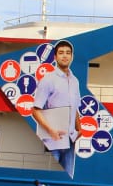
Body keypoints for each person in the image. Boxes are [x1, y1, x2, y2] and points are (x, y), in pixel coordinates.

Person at [30, 39, 83, 177]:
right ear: (54, 57)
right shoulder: (48, 80)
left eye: (68, 53)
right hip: (52, 141)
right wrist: (51, 131)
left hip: (70, 140)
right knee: (49, 178)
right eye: (61, 53)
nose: (65, 56)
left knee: (68, 178)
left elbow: (75, 107)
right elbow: (35, 110)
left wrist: (80, 128)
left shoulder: (75, 81)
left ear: (72, 56)